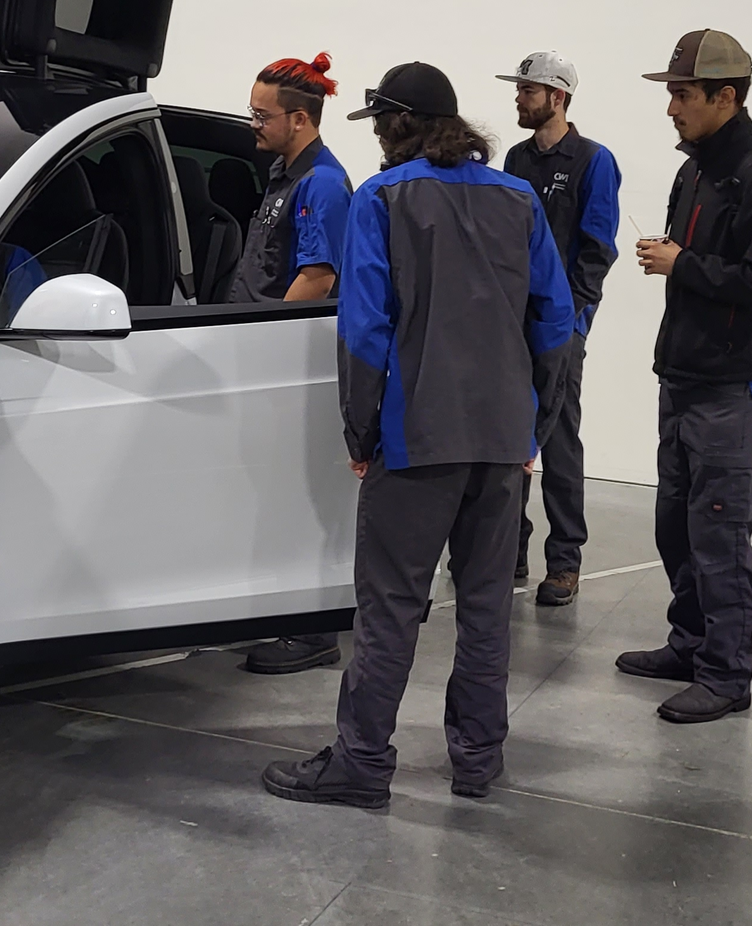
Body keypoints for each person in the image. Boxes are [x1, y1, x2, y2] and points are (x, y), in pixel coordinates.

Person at [261, 62, 574, 807]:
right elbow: (556, 325)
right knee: (487, 602)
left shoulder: (382, 200)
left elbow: (365, 332)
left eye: (377, 124)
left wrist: (361, 433)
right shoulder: (521, 200)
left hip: (416, 437)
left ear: (397, 124)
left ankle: (362, 764)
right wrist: (535, 425)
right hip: (501, 440)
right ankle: (477, 761)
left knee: (392, 605)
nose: (374, 138)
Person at [617, 30, 752, 724]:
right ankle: (691, 644)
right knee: (677, 526)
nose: (670, 107)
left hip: (734, 388)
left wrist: (680, 263)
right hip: (687, 377)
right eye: (670, 92)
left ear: (726, 97)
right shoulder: (695, 169)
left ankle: (727, 675)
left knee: (719, 535)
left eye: (682, 94)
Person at [232, 53, 354, 676]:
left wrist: (260, 340)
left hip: (286, 361)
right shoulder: (286, 173)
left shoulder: (323, 185)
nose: (253, 124)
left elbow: (317, 276)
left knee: (301, 495)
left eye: (261, 115)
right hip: (259, 356)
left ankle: (313, 630)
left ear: (299, 119)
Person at [497, 52, 621, 606]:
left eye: (528, 90)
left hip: (562, 327)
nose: (519, 99)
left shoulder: (594, 161)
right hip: (513, 323)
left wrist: (570, 320)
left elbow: (597, 248)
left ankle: (565, 561)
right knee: (508, 436)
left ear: (558, 96)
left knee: (559, 438)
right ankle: (509, 549)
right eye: (520, 90)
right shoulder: (517, 159)